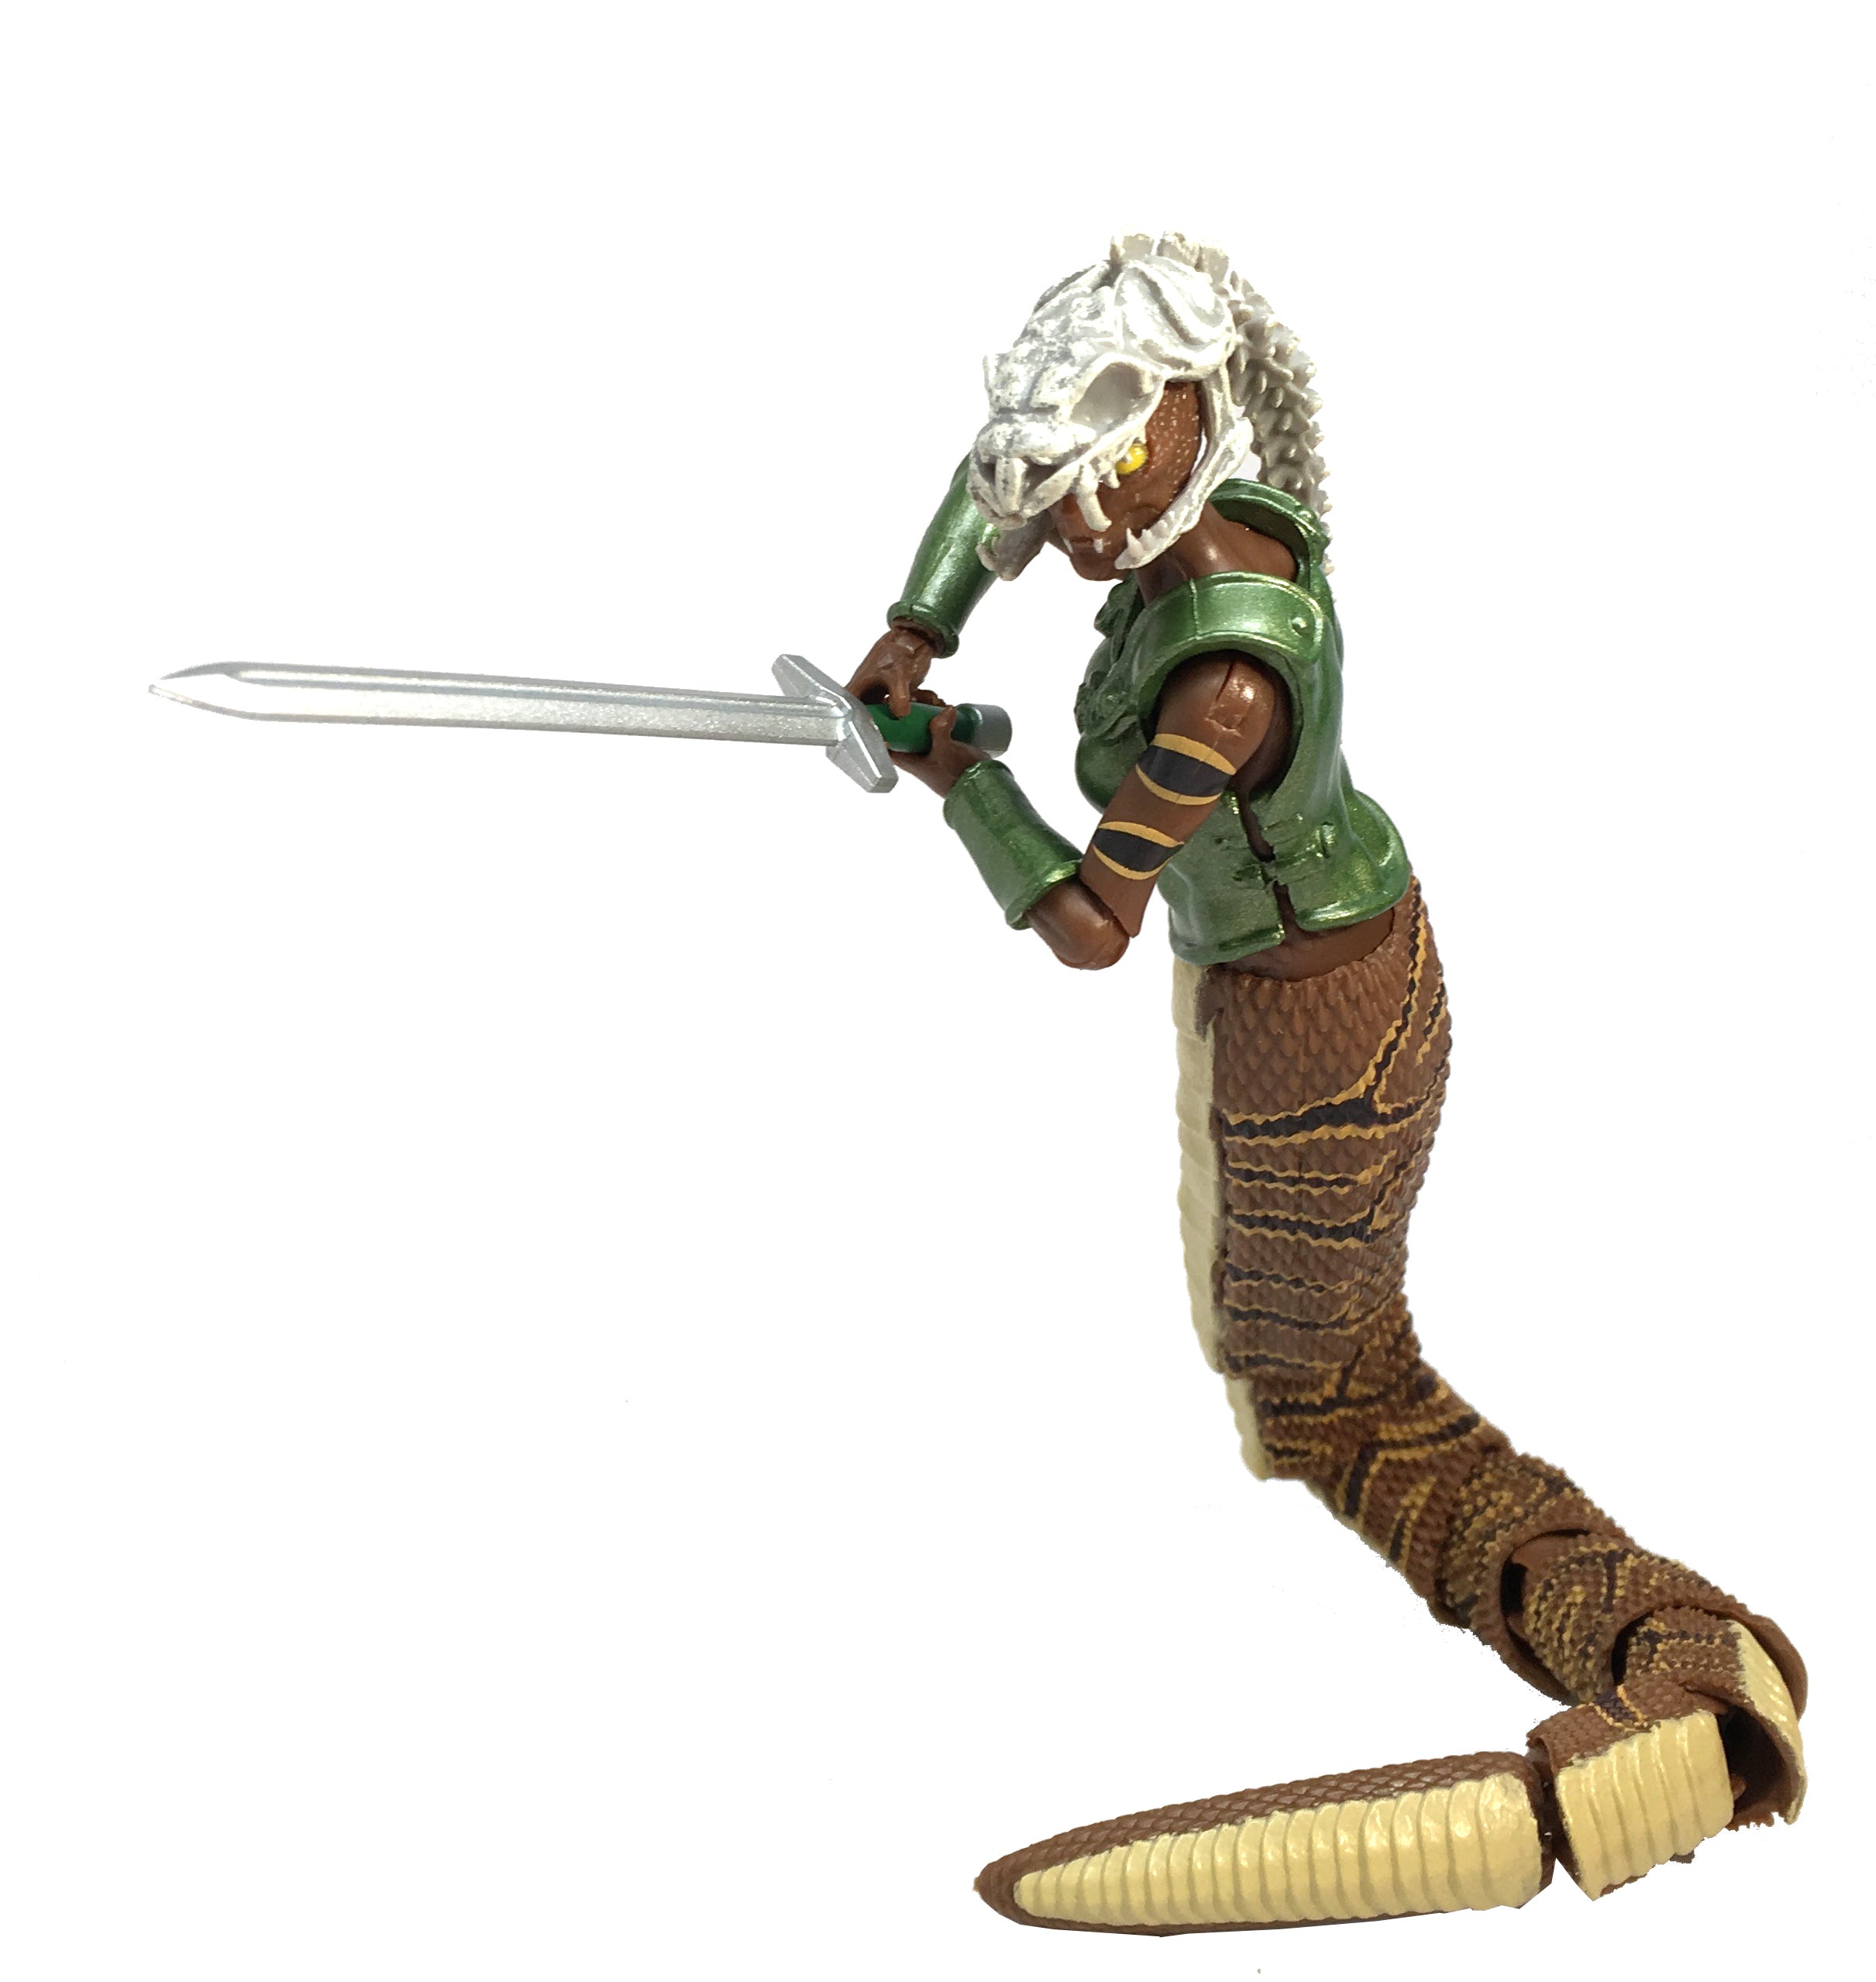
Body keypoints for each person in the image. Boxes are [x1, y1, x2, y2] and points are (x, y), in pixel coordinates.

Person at [846, 233, 1805, 1935]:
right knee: (1302, 1374)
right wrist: (916, 628)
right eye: (1055, 484)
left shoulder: (1226, 679)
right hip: (1293, 983)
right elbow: (997, 485)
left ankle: (1667, 1659)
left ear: (1179, 418)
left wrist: (954, 783)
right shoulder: (1154, 493)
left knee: (1327, 1395)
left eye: (1092, 482)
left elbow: (1087, 922)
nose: (1068, 523)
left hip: (1318, 1027)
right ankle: (1648, 1638)